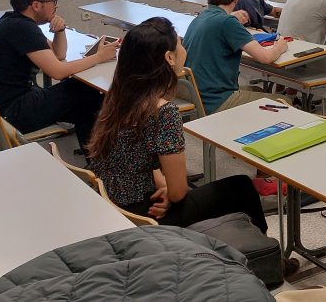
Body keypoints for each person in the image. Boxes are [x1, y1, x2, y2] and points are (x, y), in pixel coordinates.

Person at [88, 17, 269, 231]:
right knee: (241, 187)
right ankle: (265, 257)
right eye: (180, 43)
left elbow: (134, 157)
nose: (184, 48)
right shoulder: (163, 111)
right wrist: (170, 191)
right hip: (148, 217)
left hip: (117, 207)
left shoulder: (118, 96)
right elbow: (178, 193)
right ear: (169, 58)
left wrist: (163, 184)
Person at [0, 0, 119, 145]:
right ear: (36, 5)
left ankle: (94, 157)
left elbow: (58, 54)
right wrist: (99, 57)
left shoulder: (15, 22)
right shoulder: (23, 28)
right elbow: (57, 72)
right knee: (86, 91)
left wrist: (60, 30)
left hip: (2, 106)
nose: (56, 5)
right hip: (12, 112)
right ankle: (97, 158)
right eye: (53, 1)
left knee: (84, 100)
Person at [183, 0, 287, 113]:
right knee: (284, 102)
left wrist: (232, 16)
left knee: (256, 90)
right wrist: (280, 46)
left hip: (196, 95)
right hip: (217, 100)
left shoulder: (201, 16)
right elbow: (266, 58)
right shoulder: (227, 22)